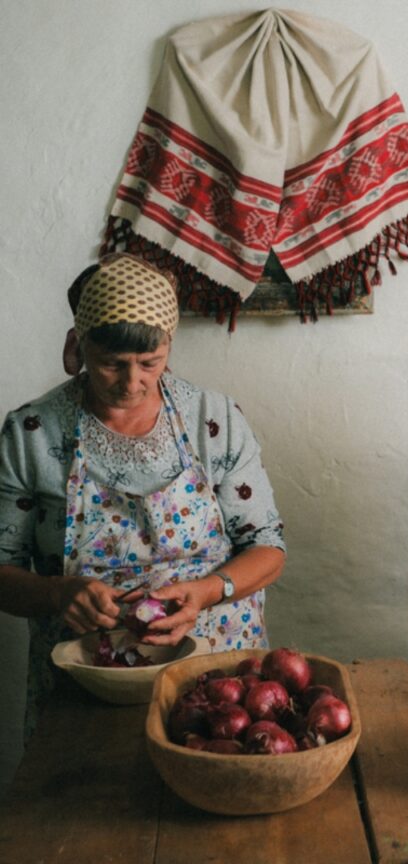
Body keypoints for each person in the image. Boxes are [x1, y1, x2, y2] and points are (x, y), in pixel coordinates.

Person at [0, 253, 286, 732]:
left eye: (150, 363)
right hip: (87, 684)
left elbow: (268, 549)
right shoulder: (31, 433)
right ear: (78, 345)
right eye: (111, 363)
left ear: (168, 346)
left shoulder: (212, 420)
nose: (132, 382)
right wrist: (57, 593)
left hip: (218, 682)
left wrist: (206, 592)